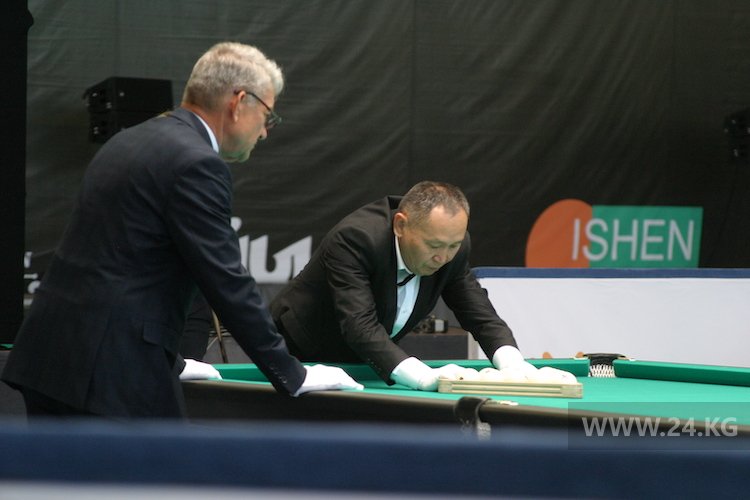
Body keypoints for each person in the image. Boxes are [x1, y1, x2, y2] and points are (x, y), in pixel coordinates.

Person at [2, 42, 361, 418]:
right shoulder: (197, 163)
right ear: (240, 102)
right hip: (107, 373)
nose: (265, 133)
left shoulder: (128, 140)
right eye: (267, 116)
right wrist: (293, 373)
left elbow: (115, 265)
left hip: (50, 358)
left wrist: (171, 360)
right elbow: (226, 281)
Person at [270, 181, 575, 390]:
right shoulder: (356, 239)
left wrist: (514, 365)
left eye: (453, 245)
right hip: (300, 353)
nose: (443, 257)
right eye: (434, 245)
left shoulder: (452, 248)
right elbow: (359, 325)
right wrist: (423, 377)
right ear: (400, 225)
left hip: (368, 361)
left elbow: (479, 314)